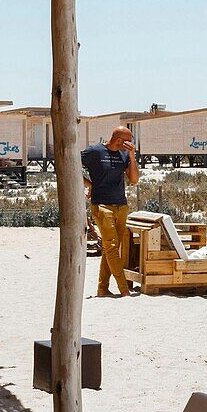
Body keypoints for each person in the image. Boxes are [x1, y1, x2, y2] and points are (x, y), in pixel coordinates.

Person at [82, 127, 140, 297]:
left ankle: (102, 289)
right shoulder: (95, 151)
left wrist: (131, 156)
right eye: (128, 140)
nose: (131, 143)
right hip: (102, 206)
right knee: (112, 248)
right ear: (119, 139)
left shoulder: (124, 154)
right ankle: (124, 290)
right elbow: (69, 165)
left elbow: (134, 179)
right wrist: (88, 184)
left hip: (121, 206)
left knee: (111, 249)